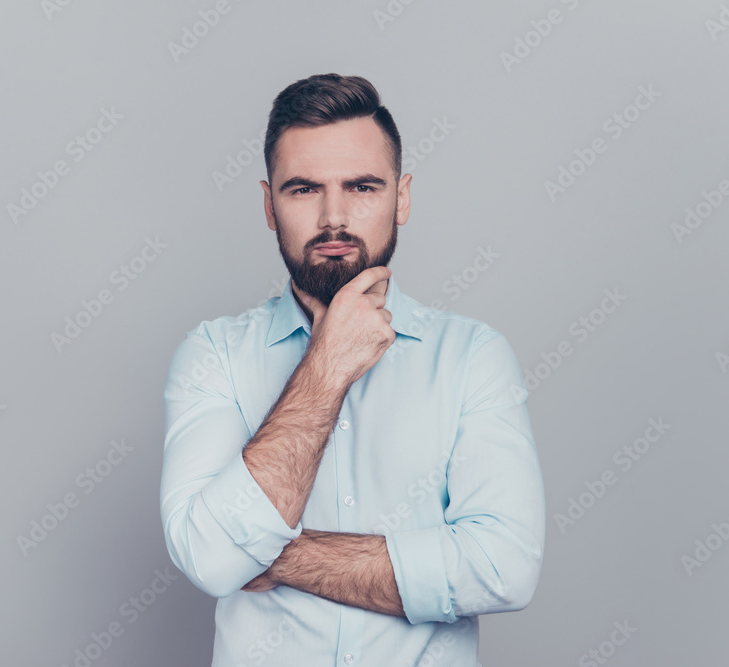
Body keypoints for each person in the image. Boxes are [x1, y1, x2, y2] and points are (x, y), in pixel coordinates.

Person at [160, 73, 545, 666]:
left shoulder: (472, 356)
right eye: (303, 189)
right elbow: (211, 563)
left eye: (363, 186)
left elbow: (504, 569)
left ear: (402, 196)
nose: (334, 218)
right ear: (269, 205)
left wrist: (271, 552)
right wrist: (326, 367)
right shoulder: (212, 354)